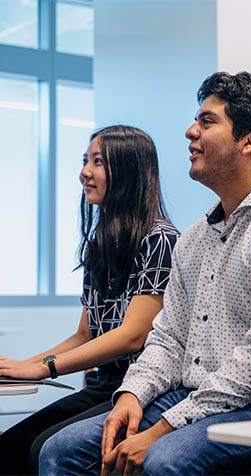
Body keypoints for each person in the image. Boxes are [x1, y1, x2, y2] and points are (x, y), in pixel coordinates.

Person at [39, 71, 251, 476]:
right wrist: (132, 394)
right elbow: (168, 338)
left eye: (207, 121)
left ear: (250, 141)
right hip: (206, 393)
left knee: (168, 459)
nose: (189, 132)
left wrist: (163, 427)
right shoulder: (195, 238)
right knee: (62, 450)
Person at [0, 125, 179, 476]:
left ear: (127, 171)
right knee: (10, 447)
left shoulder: (161, 241)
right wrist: (20, 367)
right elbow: (85, 335)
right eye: (86, 160)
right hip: (102, 385)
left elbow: (132, 336)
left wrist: (43, 367)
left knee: (45, 450)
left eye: (98, 162)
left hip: (140, 389)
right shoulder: (102, 242)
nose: (85, 172)